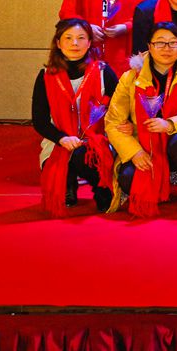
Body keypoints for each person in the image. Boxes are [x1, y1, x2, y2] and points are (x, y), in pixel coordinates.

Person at [103, 22, 177, 216]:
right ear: (149, 46)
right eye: (160, 43)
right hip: (144, 146)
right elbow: (113, 122)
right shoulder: (130, 77)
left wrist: (170, 124)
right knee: (128, 179)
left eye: (173, 43)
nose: (166, 48)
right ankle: (165, 179)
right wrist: (134, 152)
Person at [33, 18, 120, 215]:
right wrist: (62, 138)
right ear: (58, 43)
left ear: (89, 43)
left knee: (84, 155)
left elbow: (119, 110)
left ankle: (102, 188)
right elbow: (39, 120)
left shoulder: (103, 72)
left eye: (81, 38)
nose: (75, 43)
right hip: (59, 140)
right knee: (60, 159)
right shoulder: (46, 76)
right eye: (68, 38)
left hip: (97, 140)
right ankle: (68, 183)